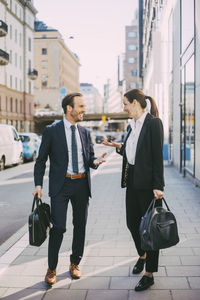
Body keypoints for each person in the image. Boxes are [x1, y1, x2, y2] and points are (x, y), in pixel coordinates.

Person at [33, 92, 106, 285]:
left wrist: (95, 162)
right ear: (69, 109)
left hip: (82, 184)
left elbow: (89, 158)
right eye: (81, 106)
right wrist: (38, 185)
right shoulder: (52, 130)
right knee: (59, 228)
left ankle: (75, 263)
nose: (84, 110)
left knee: (80, 225)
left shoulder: (85, 132)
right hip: (61, 185)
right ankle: (51, 268)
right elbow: (40, 161)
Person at [103, 89, 164, 291]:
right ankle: (142, 254)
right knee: (132, 223)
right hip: (132, 183)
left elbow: (157, 157)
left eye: (125, 104)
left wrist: (158, 186)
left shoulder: (153, 123)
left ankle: (149, 273)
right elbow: (132, 152)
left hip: (148, 186)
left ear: (136, 103)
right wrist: (116, 146)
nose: (124, 108)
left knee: (150, 229)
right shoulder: (132, 126)